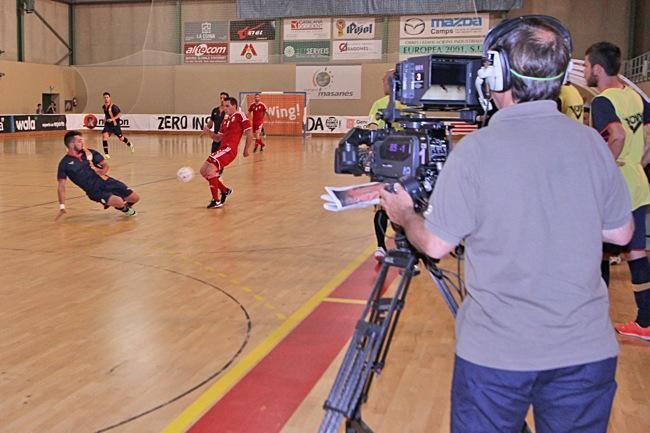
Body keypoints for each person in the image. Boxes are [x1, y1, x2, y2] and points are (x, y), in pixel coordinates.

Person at [380, 16, 634, 432]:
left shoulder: (477, 151)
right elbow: (621, 233)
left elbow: (437, 244)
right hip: (585, 353)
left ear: (496, 73)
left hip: (496, 359)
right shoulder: (591, 143)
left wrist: (405, 214)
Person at [585, 41, 650, 341]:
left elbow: (618, 135)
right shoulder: (635, 98)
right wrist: (640, 161)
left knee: (597, 250)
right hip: (637, 179)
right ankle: (646, 321)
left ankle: (595, 319)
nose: (585, 71)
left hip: (617, 184)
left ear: (597, 69)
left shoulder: (603, 101)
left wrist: (607, 167)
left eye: (586, 66)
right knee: (637, 253)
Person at [56, 130, 139, 219]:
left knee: (135, 198)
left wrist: (103, 171)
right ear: (71, 144)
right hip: (95, 191)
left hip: (107, 181)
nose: (83, 142)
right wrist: (62, 206)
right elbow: (61, 186)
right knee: (118, 201)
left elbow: (105, 165)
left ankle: (116, 203)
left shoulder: (90, 153)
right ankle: (124, 208)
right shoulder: (64, 164)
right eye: (80, 141)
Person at [367, 70, 399, 262]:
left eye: (384, 80)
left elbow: (372, 128)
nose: (382, 84)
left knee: (382, 206)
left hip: (386, 162)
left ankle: (381, 246)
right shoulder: (414, 104)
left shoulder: (380, 104)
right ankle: (386, 246)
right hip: (396, 163)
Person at [200, 97, 254, 208]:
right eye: (224, 106)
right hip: (222, 149)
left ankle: (216, 200)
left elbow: (249, 133)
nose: (225, 108)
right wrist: (209, 132)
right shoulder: (225, 120)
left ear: (234, 106)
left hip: (230, 149)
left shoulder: (240, 115)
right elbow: (218, 138)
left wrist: (246, 150)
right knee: (203, 171)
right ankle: (225, 190)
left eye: (227, 106)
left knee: (210, 170)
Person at [101, 92, 134, 159]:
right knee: (104, 137)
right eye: (105, 97)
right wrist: (105, 119)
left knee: (121, 138)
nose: (106, 99)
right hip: (108, 125)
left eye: (107, 97)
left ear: (110, 98)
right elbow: (106, 114)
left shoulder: (114, 107)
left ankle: (129, 144)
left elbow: (119, 114)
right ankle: (106, 154)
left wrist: (112, 119)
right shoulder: (104, 106)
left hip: (115, 125)